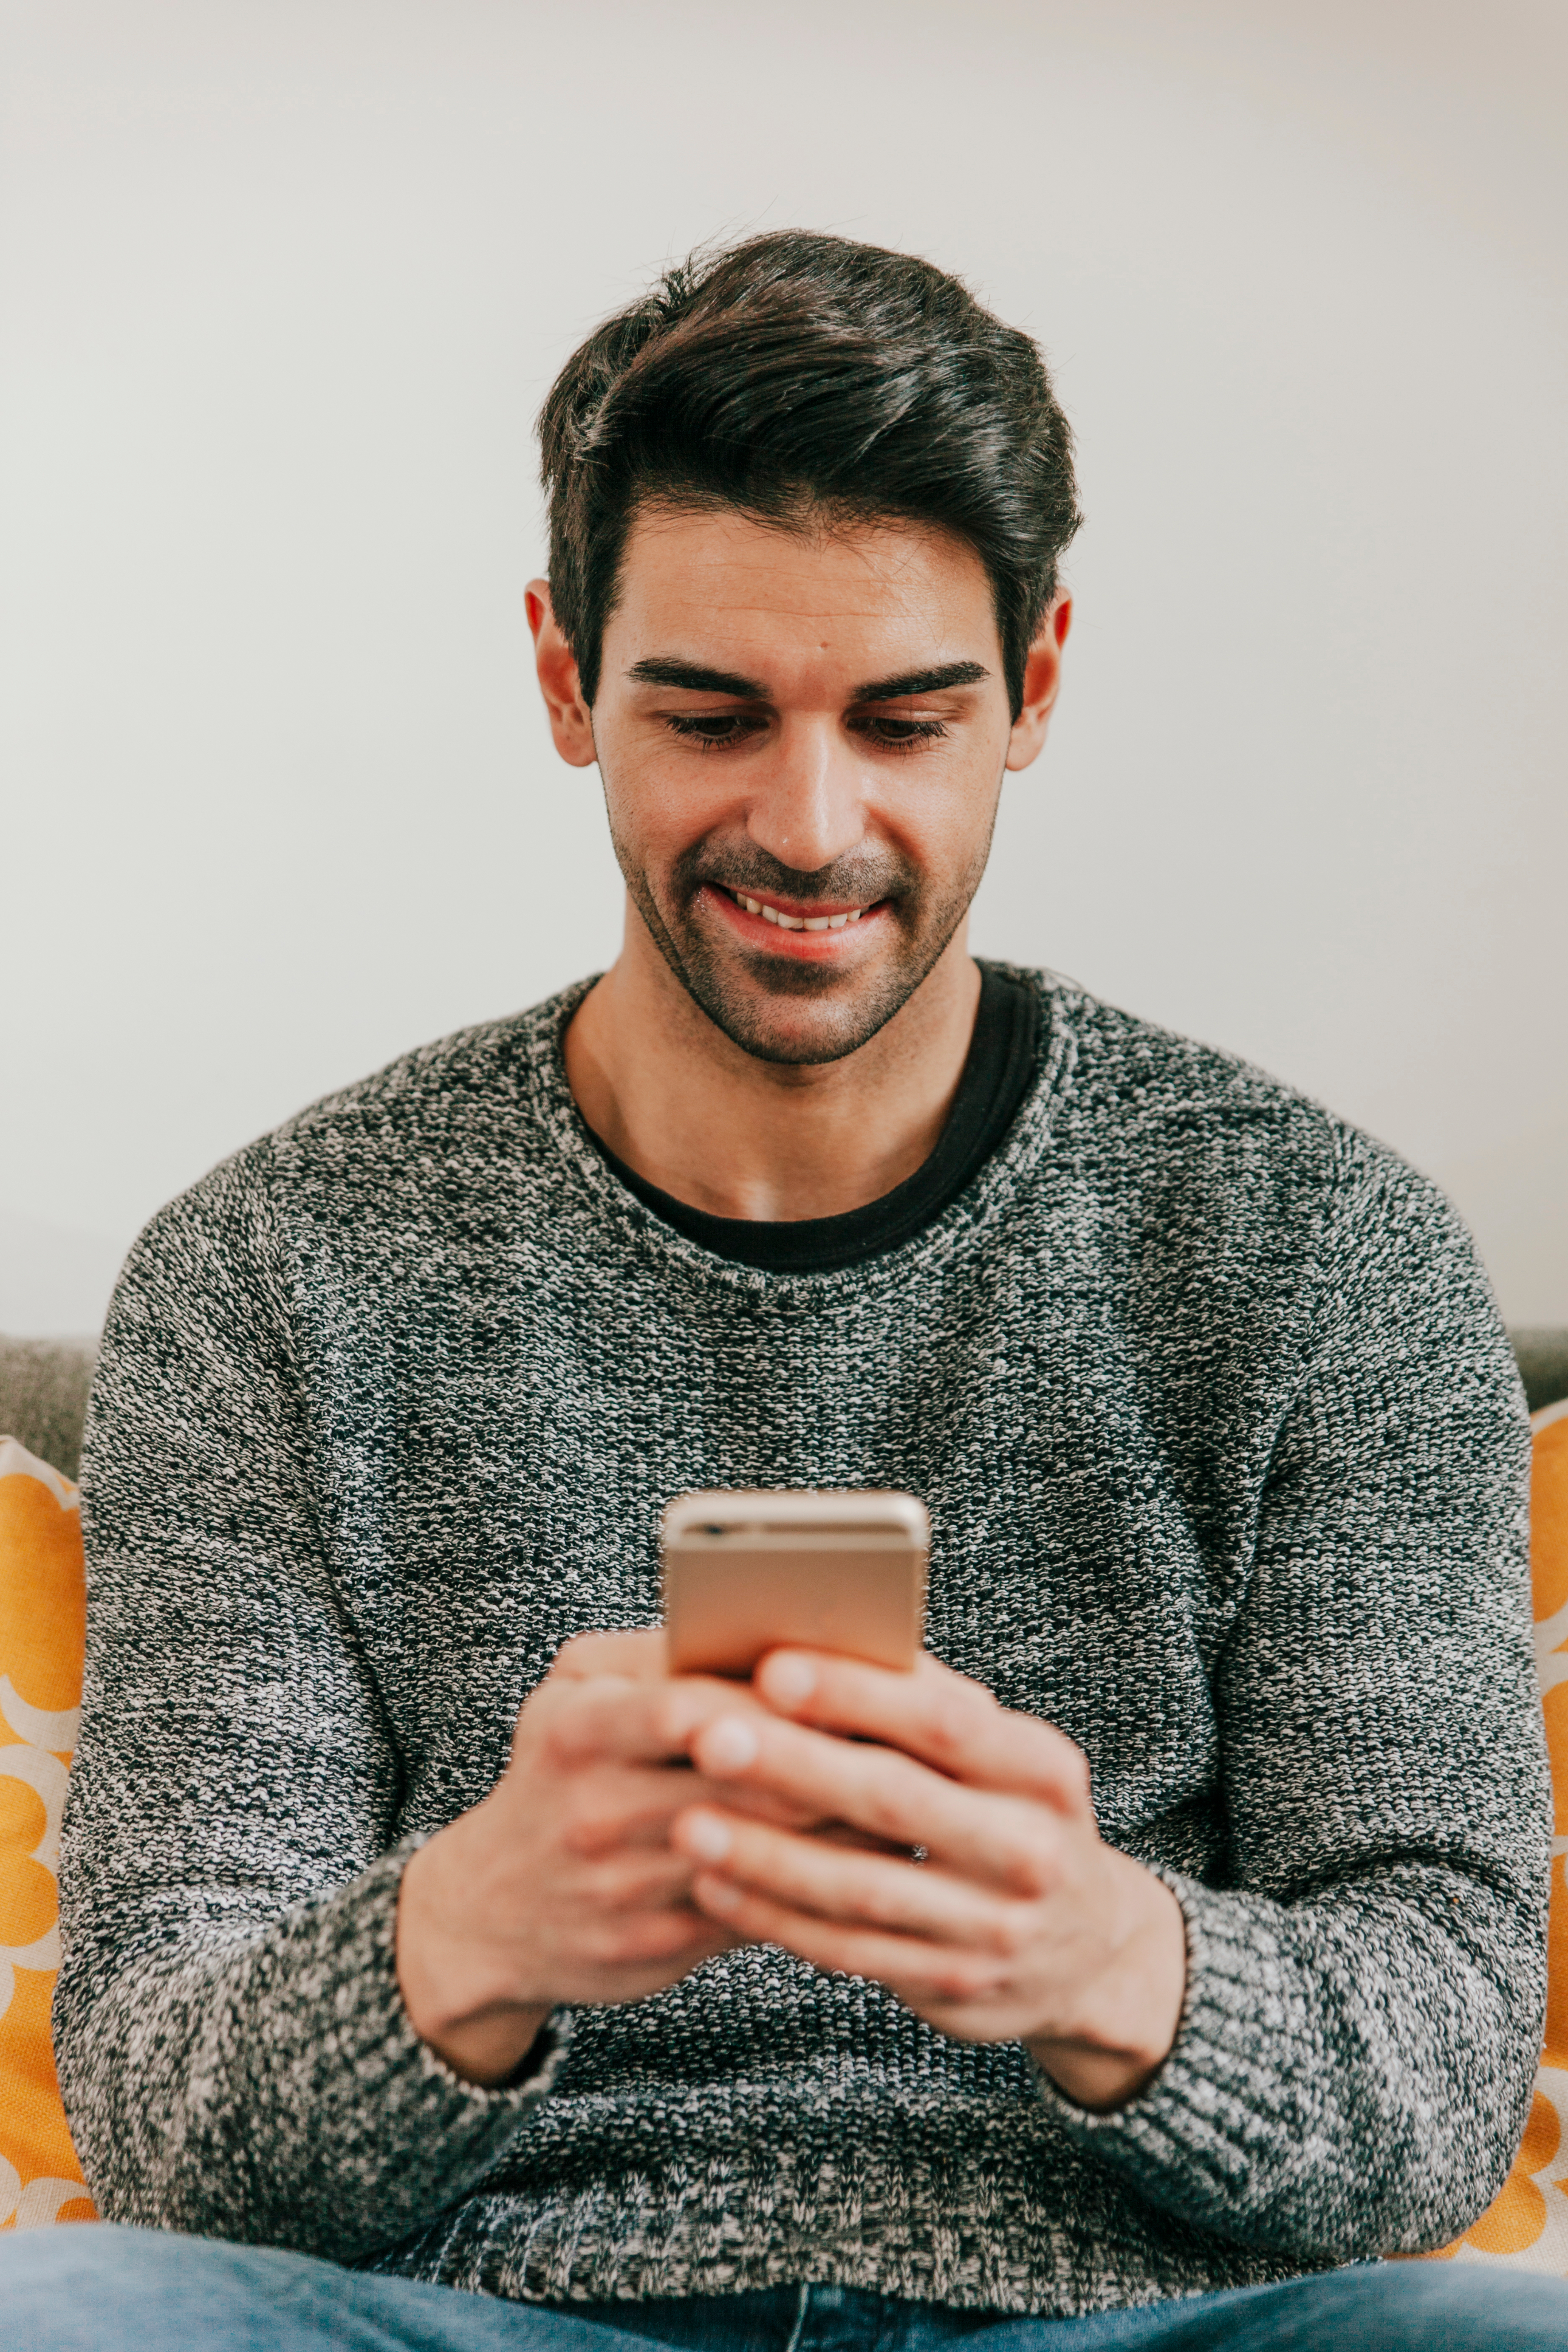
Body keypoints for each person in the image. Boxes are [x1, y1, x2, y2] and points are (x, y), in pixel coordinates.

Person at [6, 231, 1561, 2350]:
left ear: (1034, 683)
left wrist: (1107, 1963)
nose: (810, 828)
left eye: (905, 719)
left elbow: (1450, 2083)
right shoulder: (274, 1276)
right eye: (711, 715)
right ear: (565, 680)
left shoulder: (1322, 1256)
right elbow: (169, 2125)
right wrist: (462, 1937)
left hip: (1134, 2325)